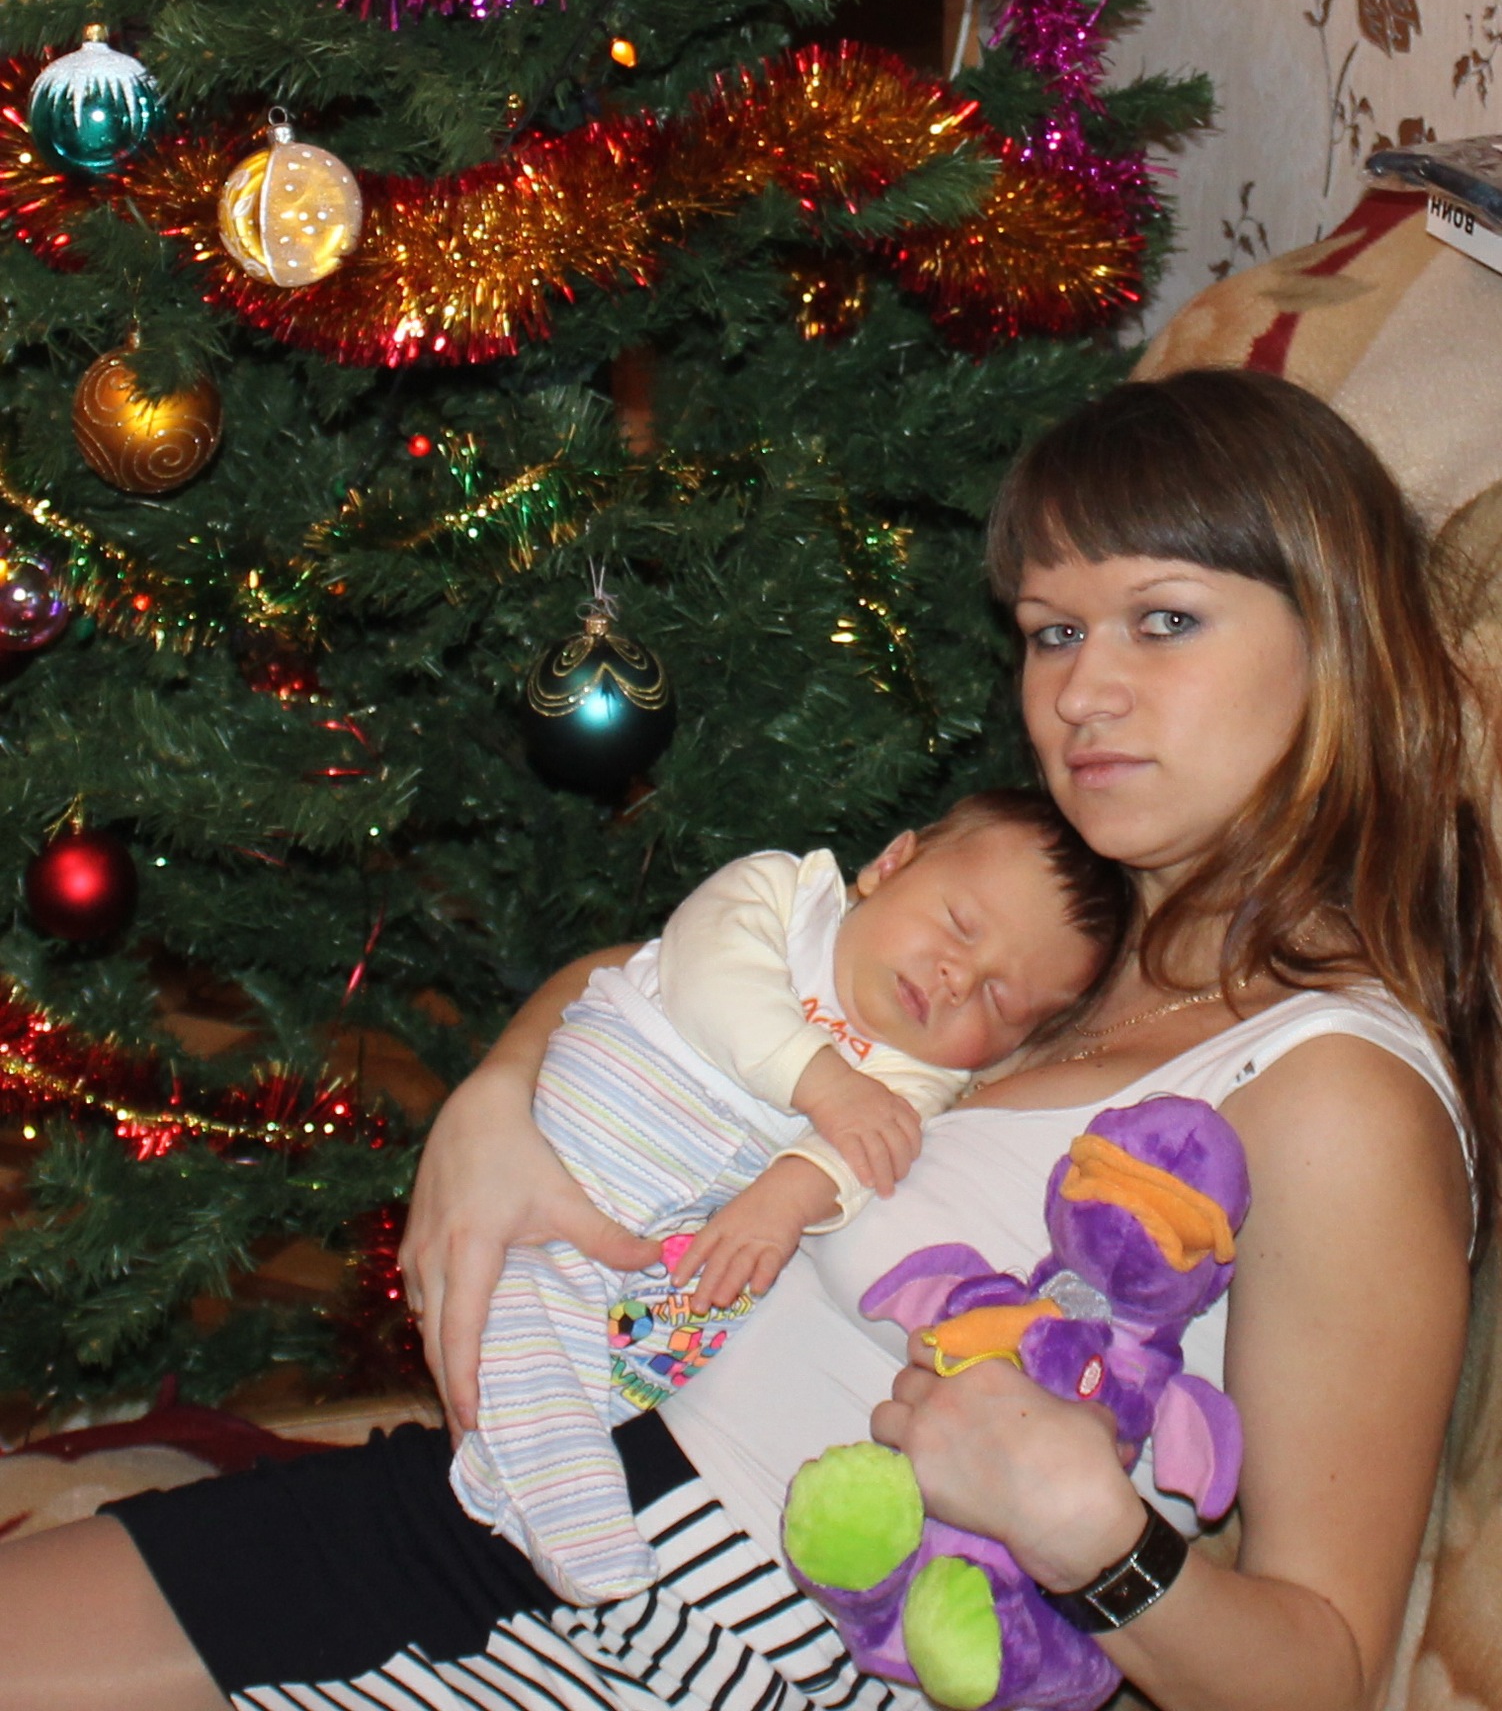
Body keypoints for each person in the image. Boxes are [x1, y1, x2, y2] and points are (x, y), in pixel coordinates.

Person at [0, 367, 1491, 1711]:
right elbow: (677, 973)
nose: (1079, 693)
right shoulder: (1059, 957)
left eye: (1163, 619)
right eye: (1051, 631)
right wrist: (497, 1101)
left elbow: (1327, 1669)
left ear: (1336, 638)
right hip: (521, 1487)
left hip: (697, 1637)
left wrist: (1095, 1537)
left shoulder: (1333, 1090)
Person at [451, 789, 1126, 1604]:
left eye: (998, 1001)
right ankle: (567, 1496)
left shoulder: (920, 1075)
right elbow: (712, 977)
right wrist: (824, 1083)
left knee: (644, 1333)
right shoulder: (783, 895)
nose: (957, 978)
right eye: (959, 925)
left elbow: (867, 1153)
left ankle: (513, 1456)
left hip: (675, 1230)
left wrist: (789, 1193)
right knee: (529, 1288)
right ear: (891, 864)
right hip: (587, 1141)